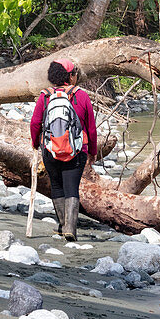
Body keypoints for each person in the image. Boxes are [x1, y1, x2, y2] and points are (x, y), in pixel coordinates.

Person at [30, 58, 97, 241]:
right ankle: (70, 229)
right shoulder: (81, 95)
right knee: (72, 188)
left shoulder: (45, 95)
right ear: (70, 76)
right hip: (76, 151)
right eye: (74, 74)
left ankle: (62, 225)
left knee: (57, 186)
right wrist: (93, 150)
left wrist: (35, 143)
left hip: (50, 149)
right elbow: (91, 127)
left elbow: (36, 123)